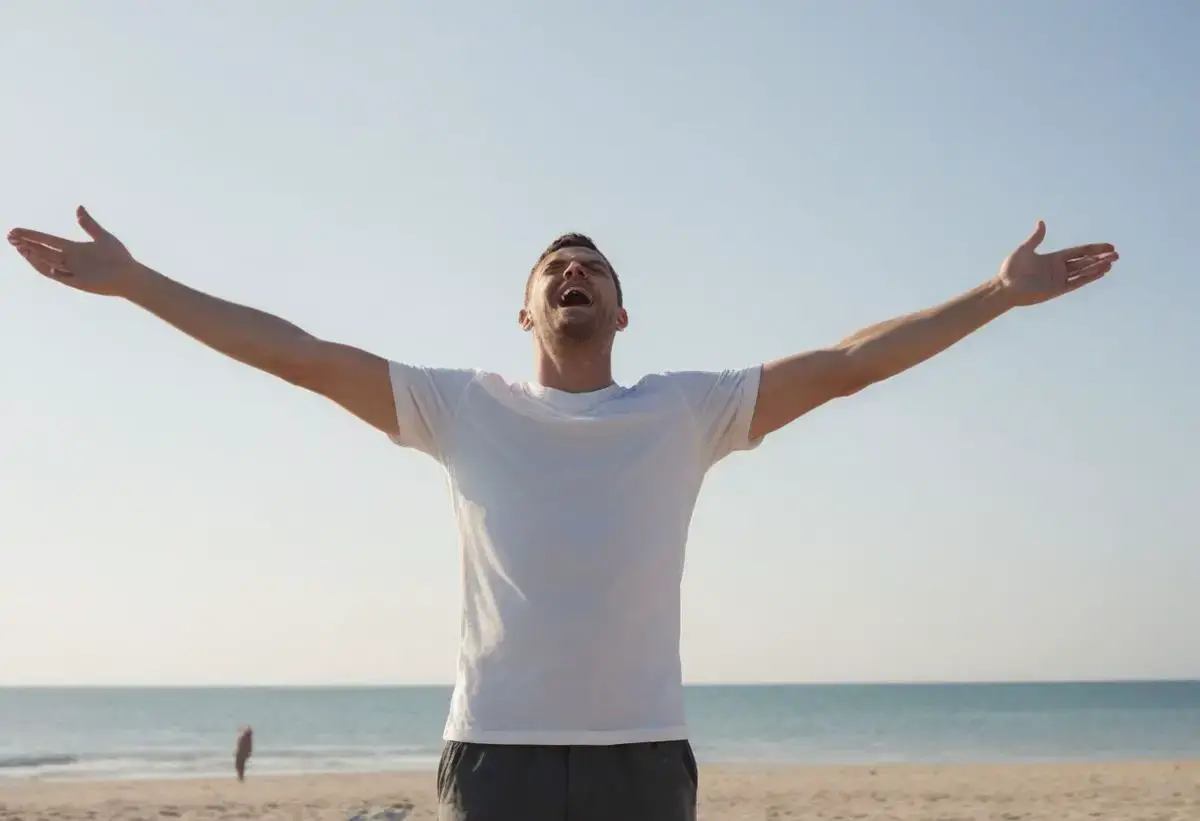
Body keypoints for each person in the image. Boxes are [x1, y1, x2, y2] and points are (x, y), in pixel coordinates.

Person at [7, 208, 1117, 820]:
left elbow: (844, 365)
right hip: (497, 758)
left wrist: (997, 294)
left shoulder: (686, 410)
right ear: (527, 307)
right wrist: (139, 281)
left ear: (622, 309)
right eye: (554, 264)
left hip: (645, 757)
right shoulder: (458, 404)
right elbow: (297, 354)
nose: (573, 269)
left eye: (591, 264)